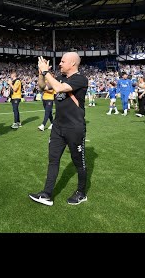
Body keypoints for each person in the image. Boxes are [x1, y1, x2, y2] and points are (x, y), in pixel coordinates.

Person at [29, 52, 88, 206]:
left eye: (62, 61)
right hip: (58, 127)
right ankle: (47, 194)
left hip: (74, 129)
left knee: (78, 163)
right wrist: (41, 74)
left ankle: (81, 193)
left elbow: (59, 88)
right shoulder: (60, 77)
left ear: (73, 64)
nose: (60, 64)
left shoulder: (80, 79)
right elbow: (42, 87)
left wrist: (46, 72)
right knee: (53, 160)